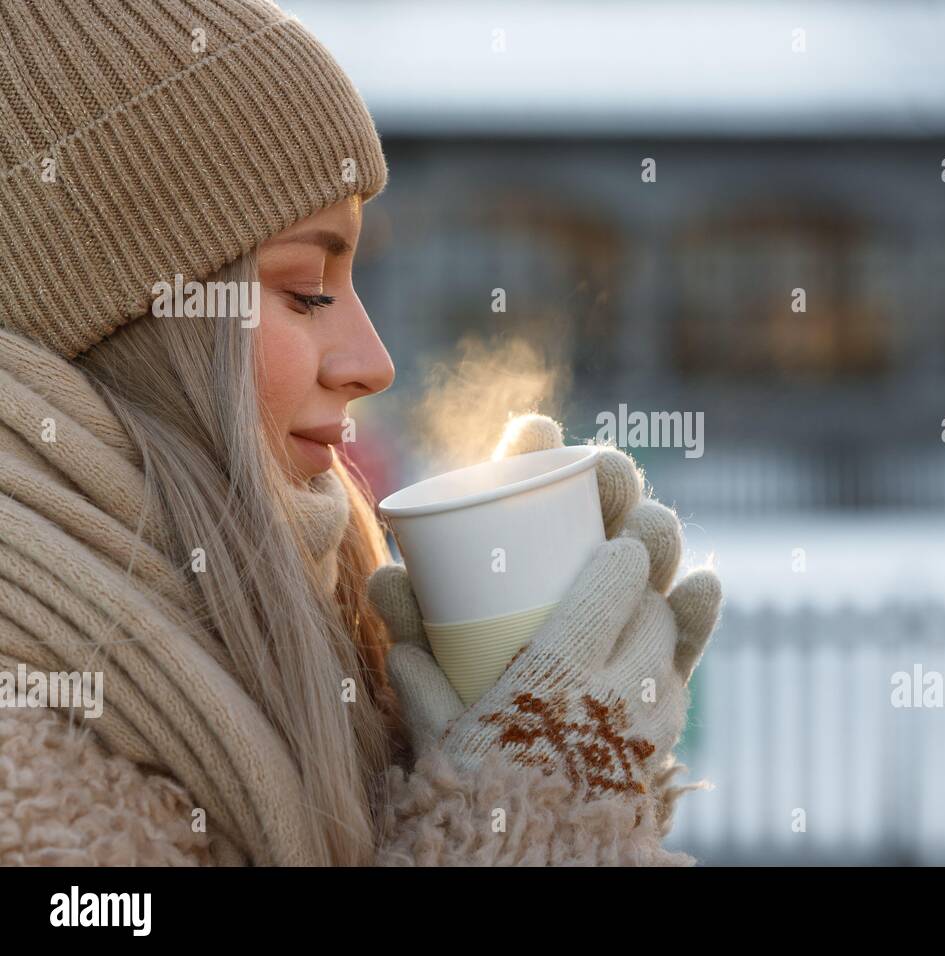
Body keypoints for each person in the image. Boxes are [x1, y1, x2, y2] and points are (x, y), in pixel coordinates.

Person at [0, 0, 721, 866]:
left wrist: (459, 751)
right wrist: (530, 823)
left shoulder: (316, 638)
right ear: (133, 332)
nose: (373, 362)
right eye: (305, 289)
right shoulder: (27, 783)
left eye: (355, 277)